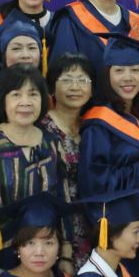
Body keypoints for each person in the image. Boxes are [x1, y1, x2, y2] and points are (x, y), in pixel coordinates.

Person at [0, 64, 68, 277]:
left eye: (33, 94)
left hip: (45, 259)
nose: (25, 102)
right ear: (3, 100)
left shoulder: (52, 143)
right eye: (16, 95)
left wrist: (67, 255)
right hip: (0, 258)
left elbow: (63, 200)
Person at [78, 33, 139, 277]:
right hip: (116, 229)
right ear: (107, 74)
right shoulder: (98, 123)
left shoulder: (136, 116)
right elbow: (93, 183)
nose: (128, 78)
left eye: (135, 70)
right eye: (119, 71)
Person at [44, 51, 95, 262]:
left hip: (92, 224)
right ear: (52, 88)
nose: (75, 87)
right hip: (55, 228)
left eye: (83, 80)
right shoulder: (42, 130)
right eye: (66, 80)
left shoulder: (93, 127)